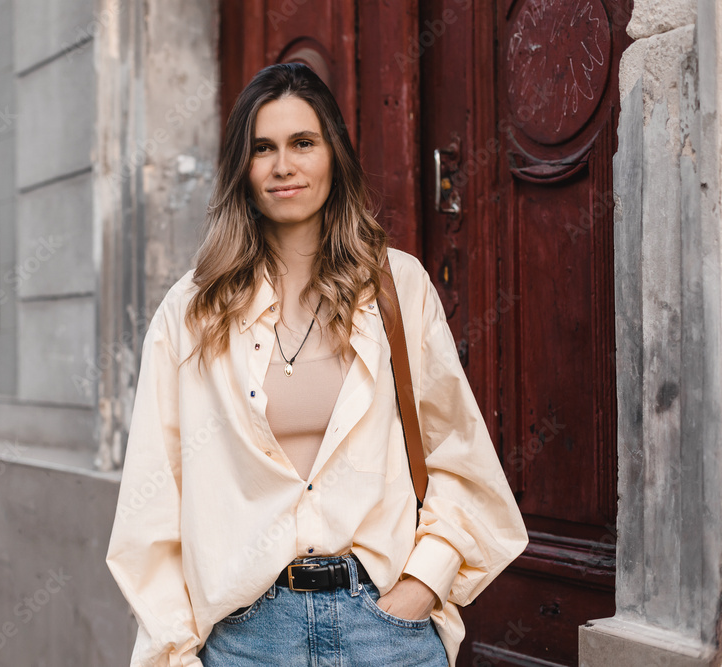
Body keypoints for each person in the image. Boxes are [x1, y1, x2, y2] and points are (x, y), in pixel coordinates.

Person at [105, 62, 528, 667]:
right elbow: (151, 505)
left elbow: (460, 456)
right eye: (262, 148)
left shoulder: (397, 287)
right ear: (242, 171)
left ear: (334, 155)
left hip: (384, 628)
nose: (284, 165)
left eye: (303, 142)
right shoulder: (192, 312)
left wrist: (419, 588)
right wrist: (175, 653)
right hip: (247, 637)